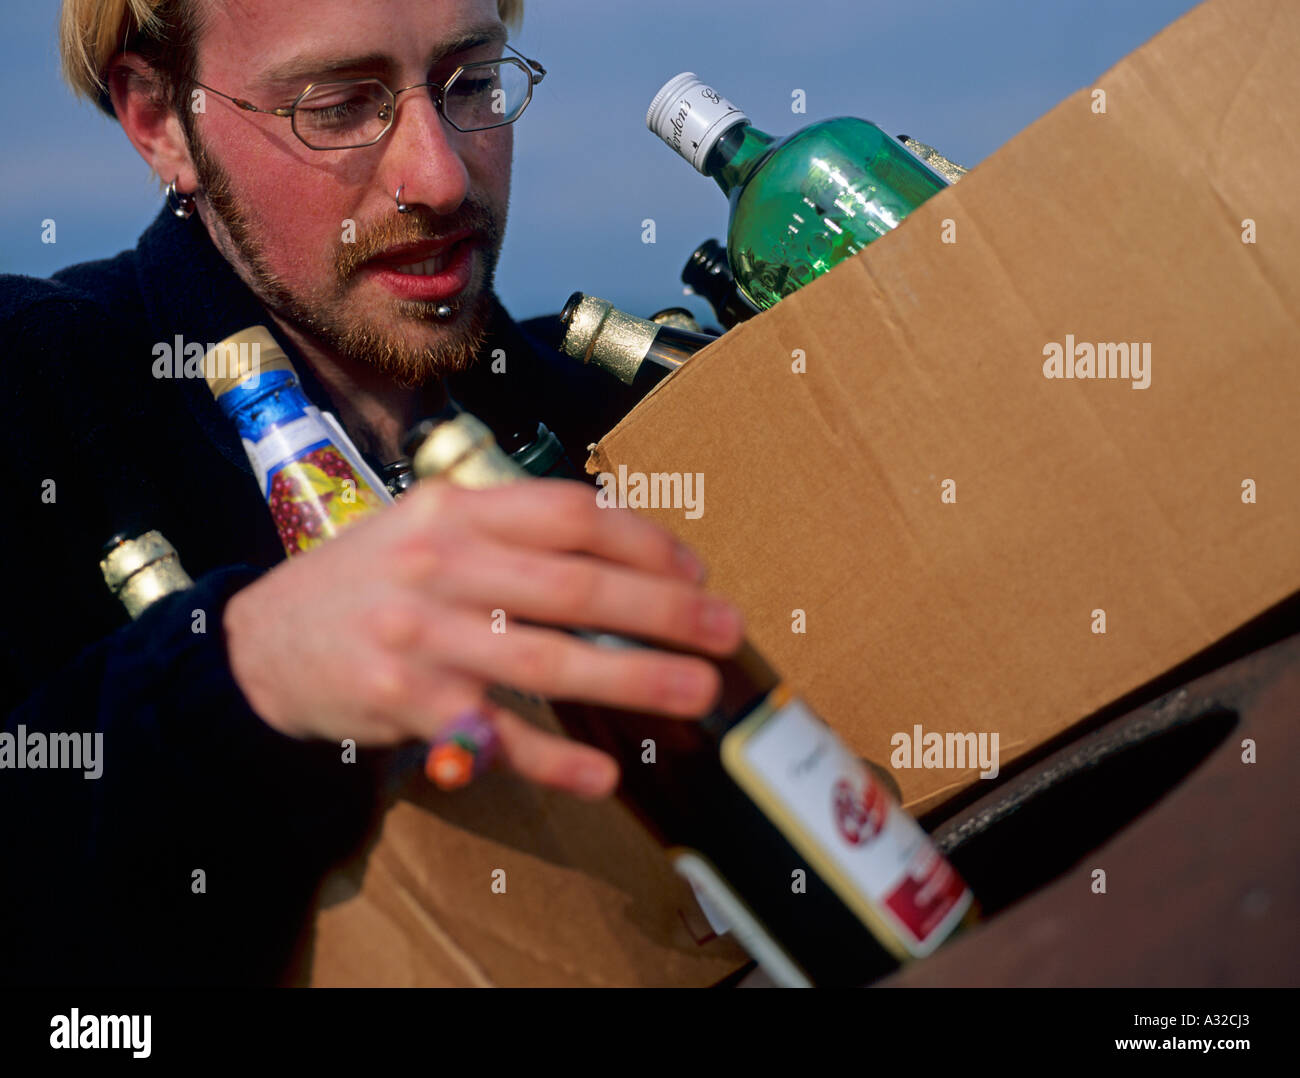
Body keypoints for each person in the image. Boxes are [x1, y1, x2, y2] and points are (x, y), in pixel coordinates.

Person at [0, 0, 745, 985]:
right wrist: (242, 673)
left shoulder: (616, 402)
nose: (437, 177)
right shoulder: (35, 397)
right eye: (339, 106)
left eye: (471, 85)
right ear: (160, 120)